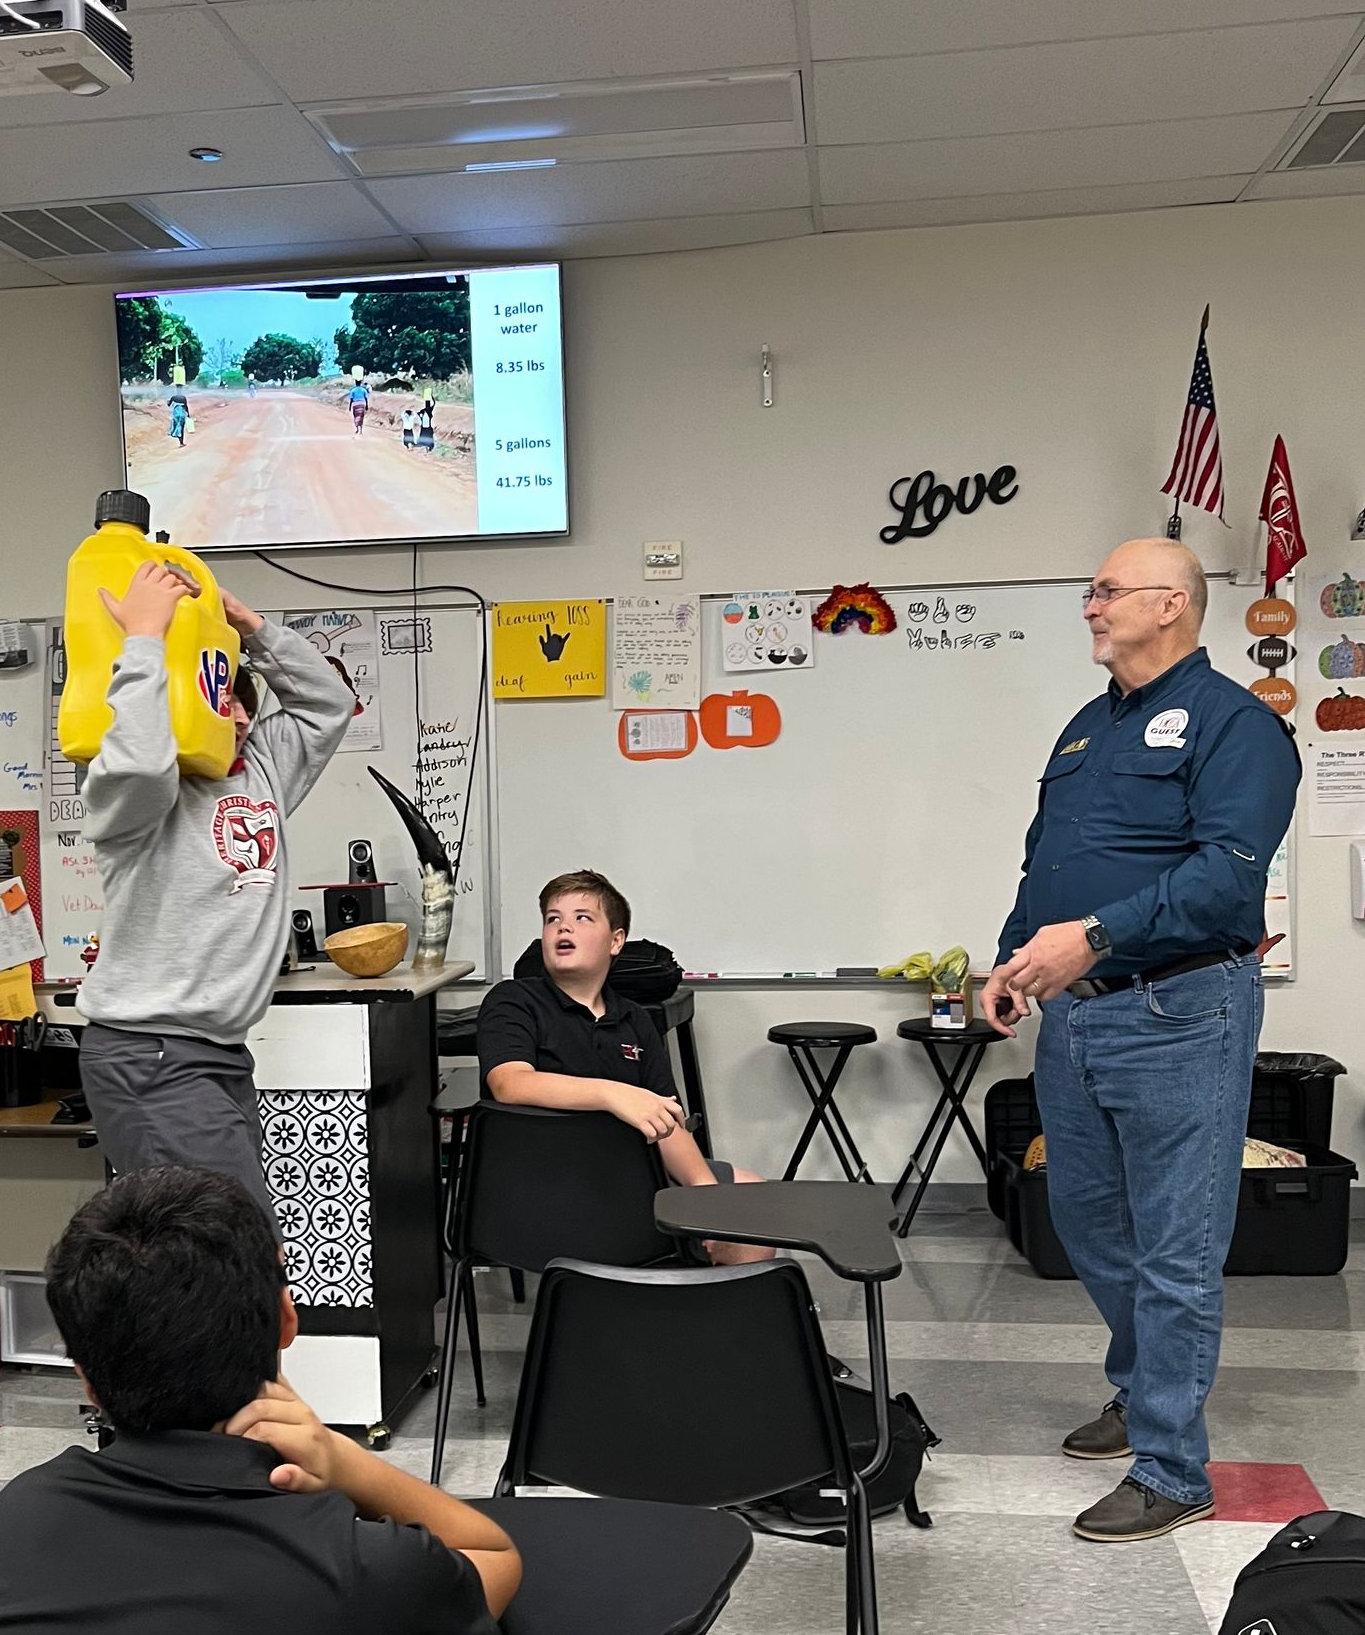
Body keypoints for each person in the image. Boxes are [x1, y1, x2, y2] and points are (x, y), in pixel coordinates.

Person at [981, 537, 1300, 1544]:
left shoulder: (1238, 726)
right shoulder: (1085, 730)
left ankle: (1172, 1465)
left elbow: (1227, 881)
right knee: (1085, 1225)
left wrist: (1097, 938)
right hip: (1075, 1018)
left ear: (1172, 604)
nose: (1090, 606)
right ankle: (1142, 1388)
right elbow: (1049, 865)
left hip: (1181, 1011)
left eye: (1107, 592)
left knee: (1175, 1248)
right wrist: (1009, 956)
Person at [0, 1165, 520, 1633]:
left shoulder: (15, 1519)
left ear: (86, 1378)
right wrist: (346, 1463)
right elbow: (496, 1554)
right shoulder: (369, 1572)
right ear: (287, 1319)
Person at [75, 564, 354, 1236]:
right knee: (227, 1257)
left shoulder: (262, 768)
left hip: (217, 1052)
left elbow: (328, 705)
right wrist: (144, 639)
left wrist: (251, 628)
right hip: (152, 1054)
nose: (228, 711)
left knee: (213, 1262)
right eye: (210, 697)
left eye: (237, 700)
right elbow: (138, 760)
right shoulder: (142, 798)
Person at [478, 869, 772, 1265]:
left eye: (583, 917)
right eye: (553, 918)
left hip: (630, 1178)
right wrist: (612, 1094)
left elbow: (667, 1121)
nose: (564, 926)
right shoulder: (514, 1000)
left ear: (616, 941)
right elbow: (510, 1084)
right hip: (544, 1185)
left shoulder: (635, 1020)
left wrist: (706, 1196)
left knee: (749, 1203)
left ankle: (715, 1319)